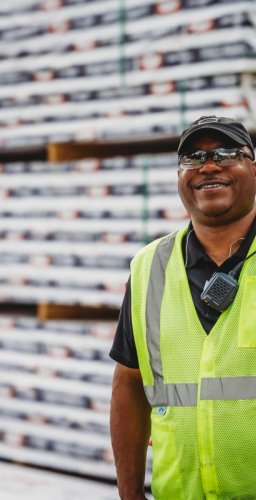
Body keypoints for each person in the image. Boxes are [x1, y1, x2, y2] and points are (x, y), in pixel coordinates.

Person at [109, 115, 256, 499]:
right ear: (179, 176)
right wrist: (129, 494)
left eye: (227, 154)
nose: (208, 166)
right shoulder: (149, 266)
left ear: (253, 167)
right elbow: (128, 383)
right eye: (193, 158)